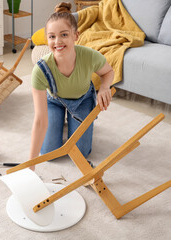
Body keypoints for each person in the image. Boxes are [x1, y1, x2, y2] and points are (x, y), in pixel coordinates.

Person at [29, 2, 114, 170]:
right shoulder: (40, 70)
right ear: (47, 40)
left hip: (82, 100)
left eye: (64, 35)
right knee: (48, 153)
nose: (57, 41)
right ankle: (60, 122)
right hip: (54, 101)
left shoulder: (90, 56)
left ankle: (72, 124)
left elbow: (108, 72)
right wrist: (31, 165)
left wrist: (104, 88)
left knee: (81, 153)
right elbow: (40, 120)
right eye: (52, 36)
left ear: (76, 35)